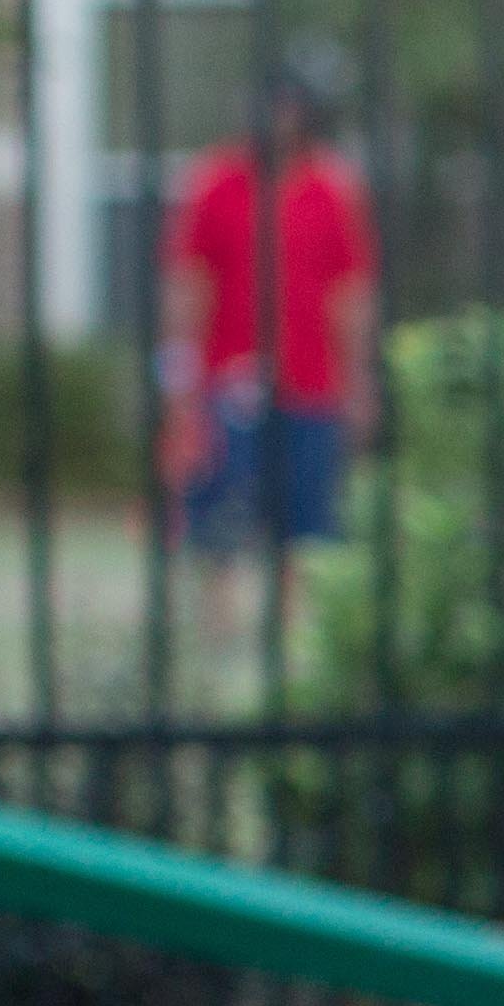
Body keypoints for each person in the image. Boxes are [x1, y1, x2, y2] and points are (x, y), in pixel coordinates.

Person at [158, 54, 376, 631]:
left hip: (312, 384)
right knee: (219, 522)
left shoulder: (334, 188)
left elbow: (351, 296)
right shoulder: (214, 182)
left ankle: (292, 635)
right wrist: (180, 381)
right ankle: (219, 631)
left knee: (306, 528)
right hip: (226, 381)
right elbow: (187, 286)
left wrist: (358, 383)